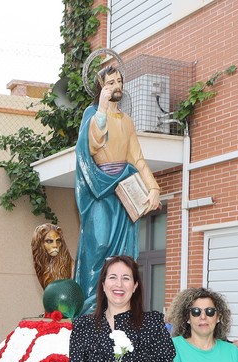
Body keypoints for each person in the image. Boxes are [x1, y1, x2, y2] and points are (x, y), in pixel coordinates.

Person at [74, 65, 162, 313]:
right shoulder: (92, 115)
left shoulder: (126, 121)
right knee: (98, 247)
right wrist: (101, 109)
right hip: (99, 190)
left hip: (123, 190)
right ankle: (92, 309)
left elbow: (138, 158)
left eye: (119, 81)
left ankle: (120, 308)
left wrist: (153, 188)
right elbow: (92, 145)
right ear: (101, 88)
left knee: (123, 255)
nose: (116, 86)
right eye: (110, 82)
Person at [30, 223, 74, 289]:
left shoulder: (70, 266)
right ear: (39, 243)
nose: (55, 245)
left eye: (58, 241)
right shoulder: (41, 265)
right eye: (49, 241)